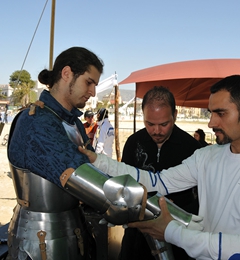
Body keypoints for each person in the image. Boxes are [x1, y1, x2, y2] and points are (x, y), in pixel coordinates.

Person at [79, 75, 240, 260]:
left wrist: (172, 231)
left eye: (221, 113)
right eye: (211, 113)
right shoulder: (207, 156)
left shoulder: (193, 148)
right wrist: (98, 161)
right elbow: (158, 181)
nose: (211, 123)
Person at [7, 46, 104, 259]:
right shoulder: (36, 121)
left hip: (76, 227)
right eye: (89, 82)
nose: (93, 92)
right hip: (39, 238)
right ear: (67, 73)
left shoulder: (73, 122)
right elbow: (83, 176)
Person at [119, 86, 201, 260]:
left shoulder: (192, 148)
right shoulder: (134, 143)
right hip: (138, 236)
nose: (156, 131)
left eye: (164, 124)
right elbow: (123, 184)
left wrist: (177, 208)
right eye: (150, 124)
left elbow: (200, 198)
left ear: (175, 115)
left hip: (178, 236)